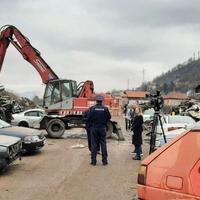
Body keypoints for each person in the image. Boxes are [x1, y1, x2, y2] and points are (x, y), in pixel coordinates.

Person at [87, 95, 111, 166]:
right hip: (102, 128)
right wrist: (104, 121)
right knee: (103, 144)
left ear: (96, 101)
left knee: (94, 144)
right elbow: (109, 117)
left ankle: (93, 161)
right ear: (102, 101)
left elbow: (88, 118)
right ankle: (105, 161)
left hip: (94, 128)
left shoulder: (92, 109)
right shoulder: (105, 109)